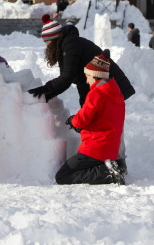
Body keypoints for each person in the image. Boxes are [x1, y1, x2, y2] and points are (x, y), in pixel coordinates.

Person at [28, 14, 135, 174]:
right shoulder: (67, 45)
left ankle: (118, 161)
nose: (47, 45)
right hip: (100, 87)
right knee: (104, 123)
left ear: (54, 38)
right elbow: (75, 78)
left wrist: (44, 91)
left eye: (48, 41)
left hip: (111, 85)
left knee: (112, 123)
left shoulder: (70, 45)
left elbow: (67, 77)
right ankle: (109, 161)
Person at [54, 51, 126, 185]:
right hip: (111, 149)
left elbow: (82, 119)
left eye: (88, 76)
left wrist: (72, 120)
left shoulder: (96, 94)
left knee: (63, 175)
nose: (86, 81)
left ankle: (107, 173)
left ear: (95, 76)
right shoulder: (116, 94)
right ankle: (111, 167)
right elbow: (101, 120)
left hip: (95, 149)